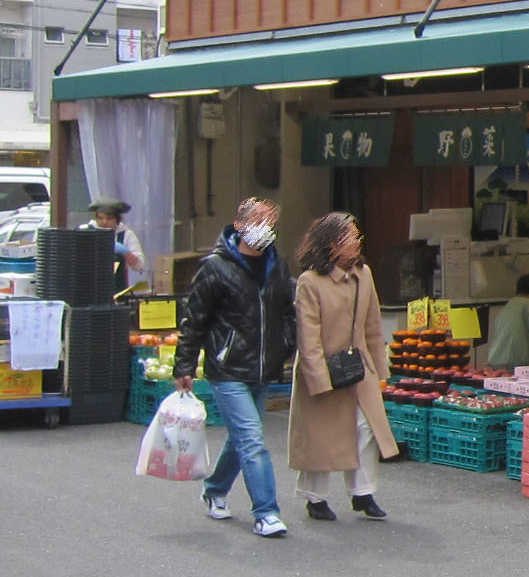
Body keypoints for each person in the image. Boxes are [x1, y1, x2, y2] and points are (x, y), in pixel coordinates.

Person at [174, 198, 297, 538]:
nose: (266, 228)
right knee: (253, 439)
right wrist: (184, 365)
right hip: (227, 369)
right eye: (259, 221)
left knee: (242, 437)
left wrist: (286, 345)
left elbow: (288, 311)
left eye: (270, 222)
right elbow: (194, 319)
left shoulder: (277, 265)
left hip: (263, 367)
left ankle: (214, 489)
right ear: (240, 226)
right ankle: (266, 512)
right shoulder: (216, 266)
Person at [289, 212, 399, 521]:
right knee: (321, 436)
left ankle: (363, 492)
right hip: (321, 366)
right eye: (351, 236)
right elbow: (308, 337)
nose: (357, 242)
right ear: (332, 244)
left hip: (358, 364)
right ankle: (315, 498)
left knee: (366, 427)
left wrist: (381, 369)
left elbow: (374, 326)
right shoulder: (310, 282)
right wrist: (319, 380)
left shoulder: (364, 274)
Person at [84, 197, 146, 289]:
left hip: (117, 288)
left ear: (118, 219)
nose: (104, 222)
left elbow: (140, 266)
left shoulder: (126, 235)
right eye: (100, 218)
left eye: (109, 218)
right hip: (88, 287)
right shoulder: (85, 230)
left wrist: (125, 252)